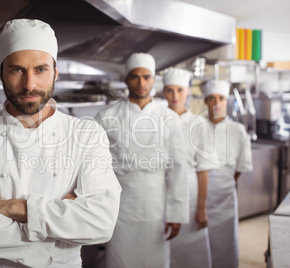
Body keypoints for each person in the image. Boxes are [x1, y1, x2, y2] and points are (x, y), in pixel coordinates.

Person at [0, 18, 121, 268]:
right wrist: (55, 239)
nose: (29, 84)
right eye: (17, 70)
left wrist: (13, 208)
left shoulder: (86, 135)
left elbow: (100, 224)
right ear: (2, 71)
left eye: (40, 69)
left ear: (55, 72)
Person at [95, 53, 189, 268]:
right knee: (120, 260)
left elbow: (178, 168)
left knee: (154, 260)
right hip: (120, 203)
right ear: (127, 79)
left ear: (153, 80)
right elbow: (96, 166)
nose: (141, 83)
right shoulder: (107, 116)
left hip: (156, 203)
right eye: (135, 77)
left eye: (146, 77)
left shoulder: (169, 118)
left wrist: (176, 213)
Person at [162, 68, 212, 268]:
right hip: (162, 193)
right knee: (164, 250)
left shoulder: (198, 124)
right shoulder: (158, 120)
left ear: (188, 92)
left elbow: (203, 169)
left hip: (191, 195)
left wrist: (201, 208)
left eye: (180, 90)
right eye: (170, 90)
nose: (175, 96)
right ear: (163, 92)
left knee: (193, 253)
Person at [202, 80, 253, 268]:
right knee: (200, 244)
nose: (217, 102)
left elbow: (241, 166)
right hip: (199, 196)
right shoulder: (197, 127)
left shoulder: (237, 131)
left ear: (227, 101)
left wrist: (224, 182)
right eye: (211, 98)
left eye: (221, 98)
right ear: (205, 101)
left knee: (225, 243)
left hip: (225, 197)